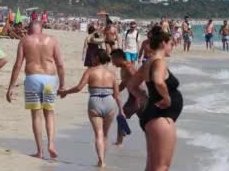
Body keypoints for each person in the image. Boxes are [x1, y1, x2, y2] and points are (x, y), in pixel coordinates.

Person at [6, 21, 65, 159]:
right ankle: (51, 144)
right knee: (49, 113)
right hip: (50, 78)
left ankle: (39, 151)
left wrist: (11, 86)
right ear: (42, 29)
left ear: (28, 30)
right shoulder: (52, 40)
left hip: (33, 78)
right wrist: (62, 85)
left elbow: (18, 65)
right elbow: (60, 64)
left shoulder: (25, 40)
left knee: (36, 115)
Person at [128, 26, 183, 171]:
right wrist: (167, 99)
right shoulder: (159, 61)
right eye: (171, 44)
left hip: (152, 115)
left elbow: (131, 85)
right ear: (163, 44)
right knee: (162, 167)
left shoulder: (147, 63)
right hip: (161, 117)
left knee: (152, 166)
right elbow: (159, 81)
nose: (172, 47)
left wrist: (145, 99)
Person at [59, 49, 123, 168]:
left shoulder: (90, 71)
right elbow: (117, 95)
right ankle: (103, 159)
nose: (92, 59)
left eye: (93, 57)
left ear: (97, 58)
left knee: (98, 134)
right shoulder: (112, 73)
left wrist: (66, 92)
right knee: (105, 135)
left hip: (95, 102)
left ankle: (101, 161)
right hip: (109, 102)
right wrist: (121, 110)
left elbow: (79, 88)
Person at [111, 49, 146, 146]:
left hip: (136, 97)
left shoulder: (128, 67)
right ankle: (156, 141)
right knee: (146, 122)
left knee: (121, 117)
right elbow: (124, 83)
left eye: (113, 60)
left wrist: (138, 99)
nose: (113, 63)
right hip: (137, 97)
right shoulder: (125, 67)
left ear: (119, 58)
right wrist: (115, 92)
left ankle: (119, 142)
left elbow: (138, 81)